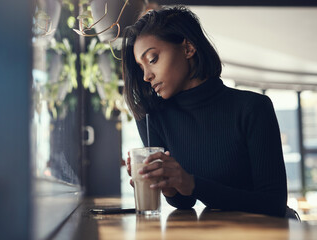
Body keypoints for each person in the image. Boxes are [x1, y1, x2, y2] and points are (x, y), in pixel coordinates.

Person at [122, 6, 290, 218]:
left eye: (152, 59)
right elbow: (183, 201)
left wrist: (191, 183)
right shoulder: (153, 117)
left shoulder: (254, 108)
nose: (146, 75)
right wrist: (167, 184)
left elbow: (273, 204)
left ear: (188, 48)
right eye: (141, 66)